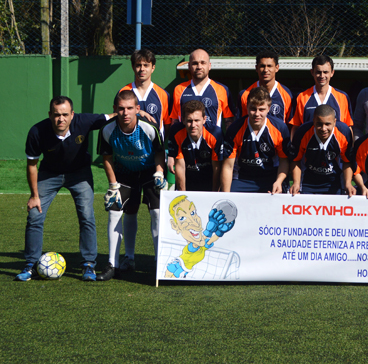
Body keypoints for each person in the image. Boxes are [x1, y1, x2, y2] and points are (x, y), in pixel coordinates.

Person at [16, 96, 110, 282]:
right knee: (35, 215)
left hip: (79, 173)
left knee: (86, 215)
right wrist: (34, 196)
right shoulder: (37, 131)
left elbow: (113, 116)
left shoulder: (84, 121)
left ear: (72, 115)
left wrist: (137, 113)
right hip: (49, 174)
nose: (61, 119)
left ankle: (88, 264)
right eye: (57, 115)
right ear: (50, 115)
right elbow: (32, 165)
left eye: (65, 115)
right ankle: (30, 264)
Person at [97, 90, 167, 281]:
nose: (125, 113)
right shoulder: (107, 129)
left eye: (129, 108)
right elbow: (107, 158)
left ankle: (159, 263)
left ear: (137, 109)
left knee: (157, 213)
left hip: (149, 172)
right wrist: (113, 186)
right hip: (124, 174)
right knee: (116, 209)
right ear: (114, 110)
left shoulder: (149, 127)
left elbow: (160, 152)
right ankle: (116, 263)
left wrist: (159, 172)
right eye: (121, 109)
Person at [221, 87, 290, 194]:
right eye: (253, 109)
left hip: (270, 178)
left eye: (261, 109)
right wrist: (226, 195)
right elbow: (228, 166)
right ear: (247, 107)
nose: (257, 114)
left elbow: (284, 161)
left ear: (269, 108)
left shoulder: (280, 128)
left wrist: (279, 181)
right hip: (242, 179)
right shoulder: (235, 129)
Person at [288, 105, 354, 195]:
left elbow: (347, 161)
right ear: (314, 121)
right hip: (308, 182)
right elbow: (295, 160)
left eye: (327, 124)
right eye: (319, 124)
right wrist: (296, 183)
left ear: (334, 122)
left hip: (334, 182)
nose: (323, 129)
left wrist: (348, 184)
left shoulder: (344, 132)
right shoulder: (302, 132)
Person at [164, 195, 235, 278]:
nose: (193, 221)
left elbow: (210, 241)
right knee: (168, 277)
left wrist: (219, 232)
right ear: (175, 225)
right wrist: (209, 230)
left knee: (174, 278)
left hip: (185, 269)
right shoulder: (190, 247)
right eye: (182, 218)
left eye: (193, 213)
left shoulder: (202, 248)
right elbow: (198, 242)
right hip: (178, 265)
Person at [290, 55, 353, 139]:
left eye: (325, 72)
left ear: (332, 73)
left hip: (335, 148)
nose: (322, 76)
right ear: (312, 72)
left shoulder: (342, 97)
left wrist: (351, 150)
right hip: (309, 148)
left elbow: (348, 127)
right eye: (318, 72)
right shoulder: (301, 97)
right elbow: (296, 127)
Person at [170, 49, 235, 129]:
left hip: (212, 140)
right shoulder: (179, 89)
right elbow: (175, 120)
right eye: (195, 63)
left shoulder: (222, 90)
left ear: (209, 66)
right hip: (186, 140)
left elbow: (228, 121)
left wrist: (228, 141)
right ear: (189, 66)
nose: (199, 67)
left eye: (203, 63)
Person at [168, 100, 224, 192]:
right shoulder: (176, 132)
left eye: (197, 120)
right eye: (189, 121)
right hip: (188, 179)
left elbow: (217, 168)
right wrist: (183, 195)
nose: (193, 125)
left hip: (209, 179)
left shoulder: (215, 133)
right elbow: (180, 167)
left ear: (204, 119)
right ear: (183, 120)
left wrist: (214, 195)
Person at [119, 48, 171, 139]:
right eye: (138, 65)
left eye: (146, 65)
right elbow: (117, 118)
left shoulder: (163, 94)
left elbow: (167, 125)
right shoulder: (123, 92)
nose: (142, 69)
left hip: (155, 149)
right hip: (129, 147)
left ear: (153, 68)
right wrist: (138, 112)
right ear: (133, 67)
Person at [238, 51, 294, 122]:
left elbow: (290, 126)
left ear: (277, 68)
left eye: (269, 66)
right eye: (262, 66)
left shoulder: (287, 95)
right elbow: (241, 123)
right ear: (256, 68)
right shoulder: (244, 95)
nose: (265, 70)